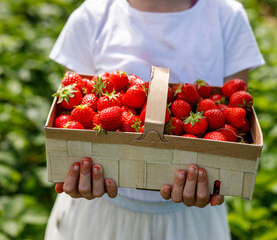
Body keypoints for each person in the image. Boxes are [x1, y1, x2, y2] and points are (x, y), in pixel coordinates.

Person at [45, 0, 265, 239]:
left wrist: (220, 175)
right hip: (99, 214)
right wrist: (76, 170)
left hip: (188, 221)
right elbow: (71, 109)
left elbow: (235, 109)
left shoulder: (226, 16)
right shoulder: (92, 16)